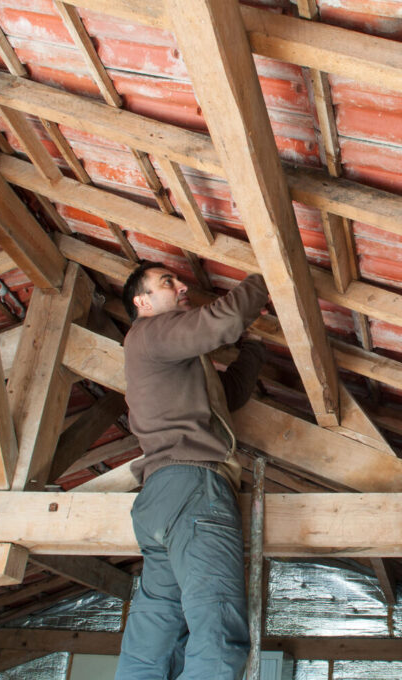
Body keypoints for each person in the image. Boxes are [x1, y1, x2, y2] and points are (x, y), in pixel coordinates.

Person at [115, 261, 270, 680]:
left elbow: (227, 398)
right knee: (217, 632)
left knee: (156, 636)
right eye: (169, 282)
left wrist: (253, 350)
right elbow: (225, 319)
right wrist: (268, 273)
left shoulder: (165, 354)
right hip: (193, 487)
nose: (183, 286)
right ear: (142, 301)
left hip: (160, 498)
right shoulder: (152, 332)